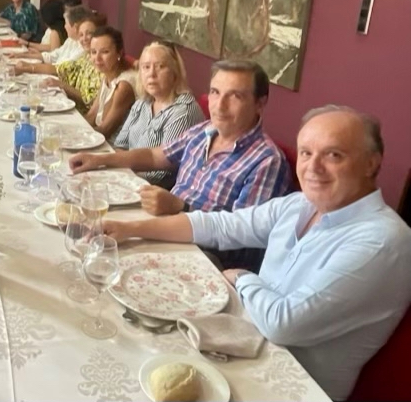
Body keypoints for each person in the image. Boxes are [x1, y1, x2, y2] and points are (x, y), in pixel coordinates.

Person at [103, 106, 411, 401]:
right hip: (243, 345)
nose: (313, 167)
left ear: (372, 163)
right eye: (306, 153)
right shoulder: (300, 205)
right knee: (124, 337)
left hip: (290, 385)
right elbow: (220, 225)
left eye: (333, 155)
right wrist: (128, 229)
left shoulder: (383, 240)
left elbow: (283, 324)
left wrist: (242, 278)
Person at [70, 60, 290, 269]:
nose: (220, 106)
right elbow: (154, 156)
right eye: (215, 92)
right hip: (163, 228)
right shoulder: (203, 131)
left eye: (235, 96)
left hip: (203, 257)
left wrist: (181, 208)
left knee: (102, 262)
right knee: (86, 239)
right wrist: (100, 159)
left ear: (260, 103)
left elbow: (243, 240)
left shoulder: (267, 161)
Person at [114, 41, 205, 189]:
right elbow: (120, 144)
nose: (151, 74)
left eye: (160, 66)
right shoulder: (141, 103)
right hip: (128, 179)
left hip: (156, 192)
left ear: (175, 73)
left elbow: (161, 174)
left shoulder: (183, 111)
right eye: (146, 67)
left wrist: (120, 174)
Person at [40, 14, 105, 113]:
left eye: (89, 33)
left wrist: (61, 85)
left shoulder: (101, 65)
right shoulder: (86, 58)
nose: (84, 39)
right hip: (72, 109)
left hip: (80, 116)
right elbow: (61, 69)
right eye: (81, 35)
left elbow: (88, 100)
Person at [84, 26, 137, 141]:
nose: (97, 58)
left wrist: (75, 136)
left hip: (114, 148)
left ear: (119, 53)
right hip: (99, 139)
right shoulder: (108, 75)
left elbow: (106, 130)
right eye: (93, 52)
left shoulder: (124, 85)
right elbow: (92, 115)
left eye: (105, 52)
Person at [11, 5, 93, 69]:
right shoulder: (71, 41)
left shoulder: (83, 48)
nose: (65, 27)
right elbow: (54, 55)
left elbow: (60, 68)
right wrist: (23, 55)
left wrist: (29, 66)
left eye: (66, 23)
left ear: (75, 27)